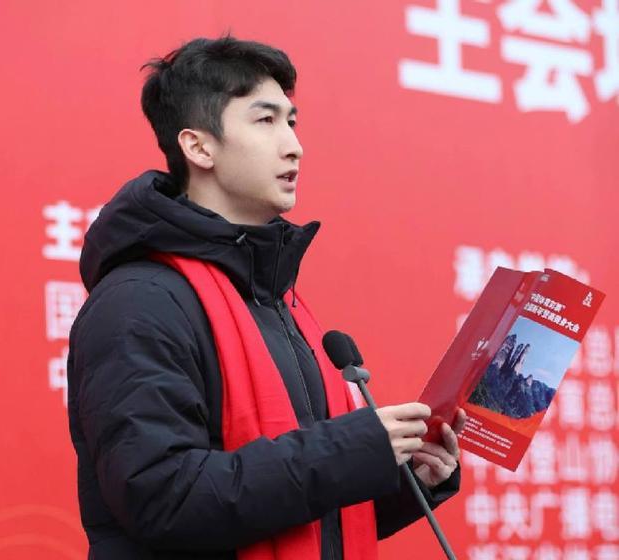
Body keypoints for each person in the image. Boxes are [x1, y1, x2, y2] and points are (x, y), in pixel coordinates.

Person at [67, 35, 465, 560]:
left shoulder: (275, 300)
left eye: (292, 122)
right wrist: (350, 449)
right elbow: (163, 498)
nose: (294, 145)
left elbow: (303, 510)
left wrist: (406, 477)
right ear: (199, 147)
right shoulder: (139, 301)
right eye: (265, 120)